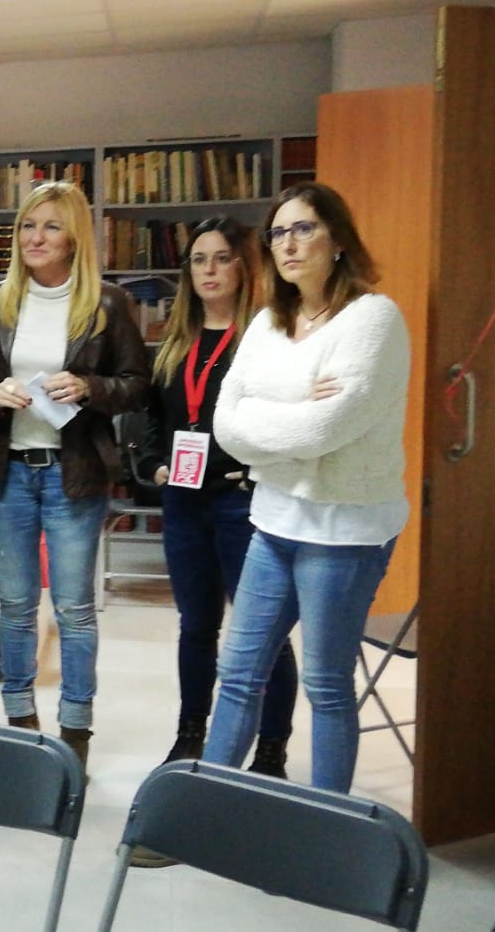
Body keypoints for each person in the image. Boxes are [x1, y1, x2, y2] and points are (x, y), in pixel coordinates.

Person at [203, 182, 410, 794]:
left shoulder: (374, 317)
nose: (288, 243)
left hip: (343, 529)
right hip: (274, 521)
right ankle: (201, 807)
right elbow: (224, 427)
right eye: (278, 232)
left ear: (337, 239)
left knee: (325, 684)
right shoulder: (269, 322)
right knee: (238, 672)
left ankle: (325, 825)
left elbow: (328, 427)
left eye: (304, 229)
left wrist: (267, 407)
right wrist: (299, 396)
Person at [0, 180, 149, 768]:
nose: (35, 238)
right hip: (8, 470)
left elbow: (137, 384)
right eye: (26, 226)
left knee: (73, 608)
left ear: (74, 238)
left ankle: (75, 732)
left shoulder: (106, 303)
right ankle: (21, 720)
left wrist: (89, 388)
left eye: (49, 226)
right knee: (16, 606)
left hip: (73, 474)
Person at [136, 217, 297, 782]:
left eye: (222, 258)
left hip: (242, 502)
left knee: (263, 632)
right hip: (184, 501)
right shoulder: (174, 341)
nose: (208, 270)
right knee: (196, 625)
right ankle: (189, 736)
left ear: (244, 266)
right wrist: (153, 464)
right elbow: (153, 417)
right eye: (199, 260)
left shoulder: (269, 337)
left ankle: (271, 751)